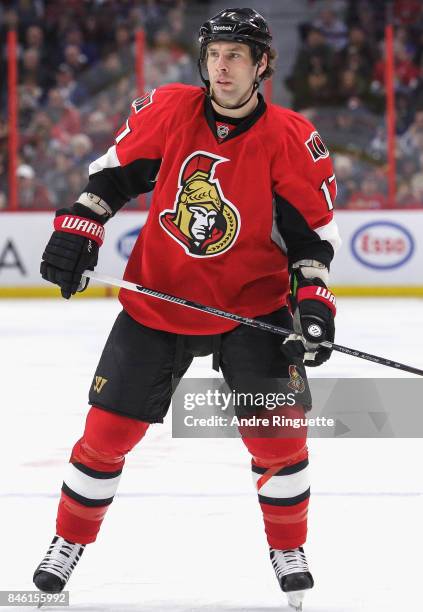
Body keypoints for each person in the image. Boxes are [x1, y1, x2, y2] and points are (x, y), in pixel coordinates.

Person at [33, 8, 340, 611]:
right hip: (158, 299)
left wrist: (315, 306)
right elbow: (112, 179)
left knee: (280, 439)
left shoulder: (289, 138)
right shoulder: (171, 110)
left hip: (251, 308)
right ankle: (65, 543)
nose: (222, 67)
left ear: (261, 66)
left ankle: (288, 548)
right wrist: (80, 226)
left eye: (236, 56)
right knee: (104, 436)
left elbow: (309, 244)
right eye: (215, 54)